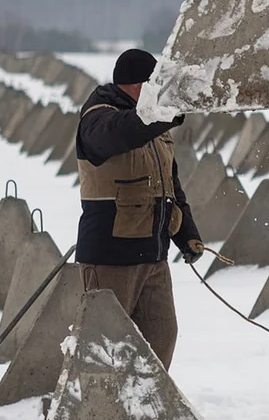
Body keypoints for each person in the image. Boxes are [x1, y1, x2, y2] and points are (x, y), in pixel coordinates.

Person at [74, 48, 205, 371]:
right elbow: (123, 131)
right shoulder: (98, 119)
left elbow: (170, 185)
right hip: (111, 257)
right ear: (137, 86)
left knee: (162, 336)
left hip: (153, 255)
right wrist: (163, 112)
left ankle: (144, 412)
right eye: (153, 85)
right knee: (106, 349)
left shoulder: (151, 126)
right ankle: (100, 416)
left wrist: (186, 234)